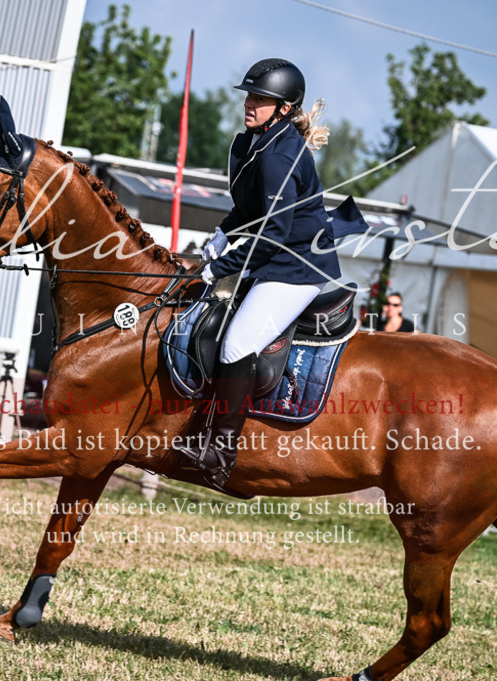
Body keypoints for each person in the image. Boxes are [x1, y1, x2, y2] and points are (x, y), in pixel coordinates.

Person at [176, 58, 365, 492]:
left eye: (261, 99)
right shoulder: (254, 142)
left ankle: (219, 452)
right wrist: (222, 234)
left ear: (283, 108)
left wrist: (220, 268)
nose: (250, 104)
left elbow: (274, 234)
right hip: (274, 257)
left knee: (238, 343)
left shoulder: (281, 153)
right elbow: (250, 207)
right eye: (249, 96)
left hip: (296, 266)